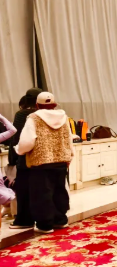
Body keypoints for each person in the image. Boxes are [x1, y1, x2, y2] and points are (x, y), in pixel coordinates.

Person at [15, 92, 73, 233]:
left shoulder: (34, 118)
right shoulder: (64, 117)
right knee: (59, 191)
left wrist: (19, 150)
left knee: (41, 194)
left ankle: (45, 225)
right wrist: (70, 155)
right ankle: (60, 220)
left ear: (37, 105)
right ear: (54, 104)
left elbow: (27, 141)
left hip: (41, 162)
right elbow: (69, 138)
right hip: (61, 160)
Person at [8, 89, 41, 230]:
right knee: (43, 190)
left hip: (25, 158)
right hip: (45, 159)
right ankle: (45, 218)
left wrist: (13, 158)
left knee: (24, 190)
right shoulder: (49, 115)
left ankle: (24, 220)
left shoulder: (22, 115)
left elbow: (16, 138)